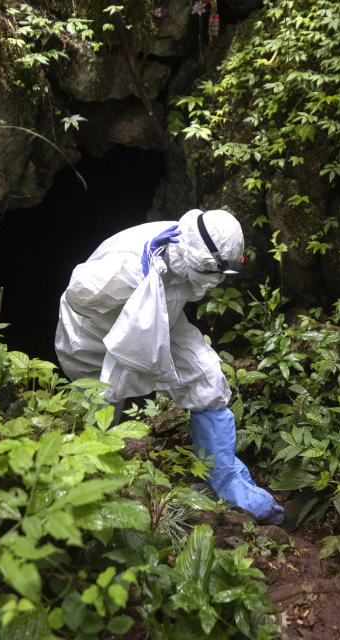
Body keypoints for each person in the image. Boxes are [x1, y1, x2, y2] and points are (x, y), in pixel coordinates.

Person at [55, 208, 285, 525]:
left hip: (159, 317)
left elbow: (181, 288)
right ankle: (87, 501)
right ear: (200, 262)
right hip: (95, 335)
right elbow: (78, 295)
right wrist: (136, 272)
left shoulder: (184, 248)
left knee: (206, 378)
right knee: (100, 409)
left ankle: (223, 482)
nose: (217, 283)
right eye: (216, 274)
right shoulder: (139, 255)